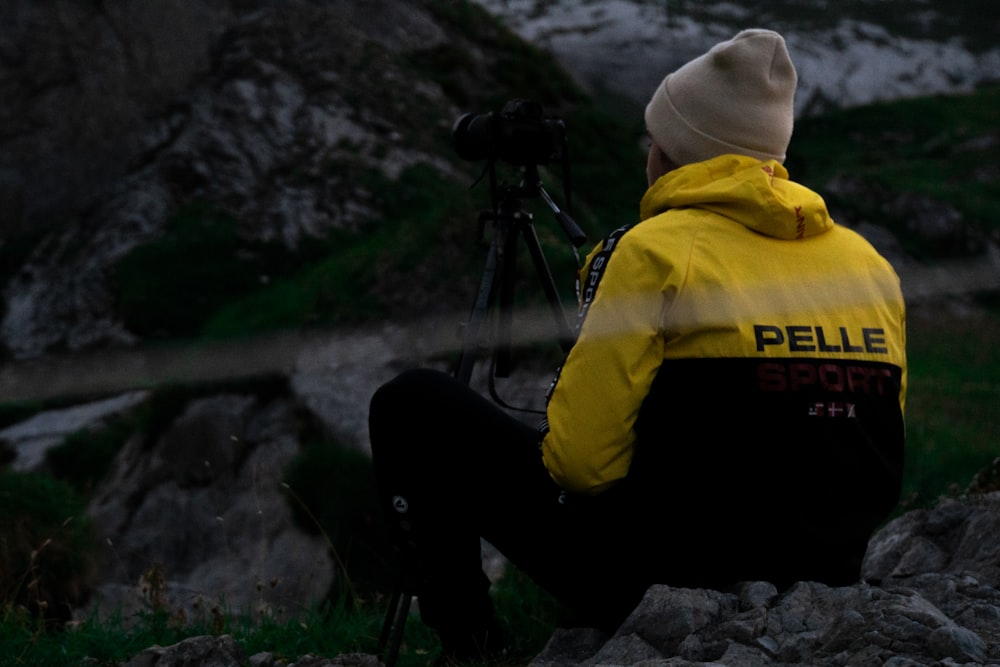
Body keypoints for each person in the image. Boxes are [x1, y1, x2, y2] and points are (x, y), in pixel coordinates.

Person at [369, 28, 906, 662]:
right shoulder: (867, 263)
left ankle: (471, 645)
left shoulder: (653, 252)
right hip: (828, 573)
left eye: (654, 139)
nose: (646, 153)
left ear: (675, 152)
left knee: (413, 404)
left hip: (667, 583)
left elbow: (579, 466)